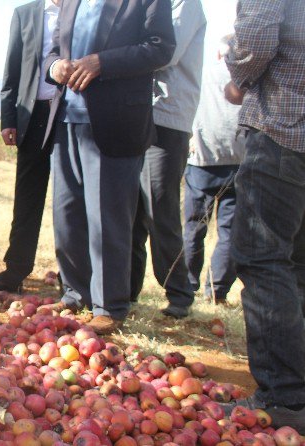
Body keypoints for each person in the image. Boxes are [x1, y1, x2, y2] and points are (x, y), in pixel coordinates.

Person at [44, 0, 175, 334]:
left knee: (108, 219)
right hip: (67, 120)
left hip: (116, 122)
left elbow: (161, 48)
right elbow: (52, 51)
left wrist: (102, 63)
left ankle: (110, 306)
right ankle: (75, 294)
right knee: (67, 214)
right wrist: (55, 67)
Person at [225, 0, 305, 432]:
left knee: (262, 258)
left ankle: (283, 396)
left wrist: (237, 79)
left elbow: (255, 36)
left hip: (283, 128)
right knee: (296, 266)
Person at [0, 0, 60, 294]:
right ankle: (15, 272)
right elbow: (12, 70)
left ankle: (74, 282)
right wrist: (8, 118)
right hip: (31, 117)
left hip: (70, 116)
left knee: (69, 202)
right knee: (27, 199)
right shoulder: (25, 14)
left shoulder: (82, 9)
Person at [130, 0, 206, 318]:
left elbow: (164, 51)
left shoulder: (185, 4)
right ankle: (125, 289)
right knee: (132, 210)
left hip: (167, 118)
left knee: (159, 206)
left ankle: (179, 292)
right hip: (139, 114)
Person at [184, 34, 246, 305]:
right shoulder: (249, 79)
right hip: (240, 157)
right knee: (229, 231)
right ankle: (216, 291)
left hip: (203, 158)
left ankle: (187, 284)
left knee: (194, 227)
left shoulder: (205, 73)